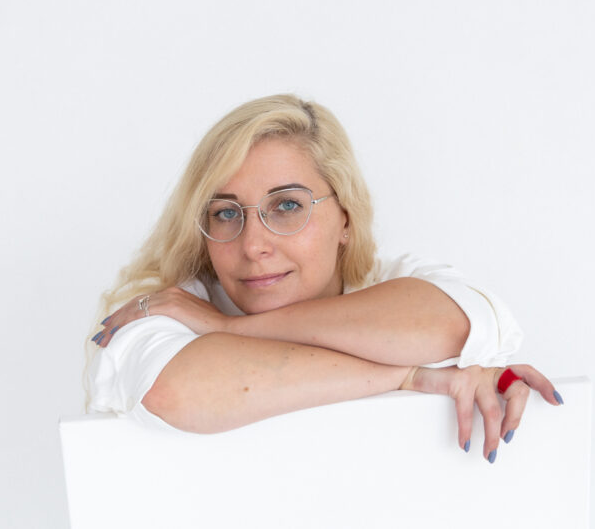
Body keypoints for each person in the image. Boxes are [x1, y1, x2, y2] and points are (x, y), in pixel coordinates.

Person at [86, 94, 561, 463]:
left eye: (287, 205)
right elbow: (176, 390)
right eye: (226, 212)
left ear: (346, 218)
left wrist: (230, 329)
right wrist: (410, 374)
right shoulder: (159, 309)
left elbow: (452, 326)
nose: (253, 245)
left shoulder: (399, 278)